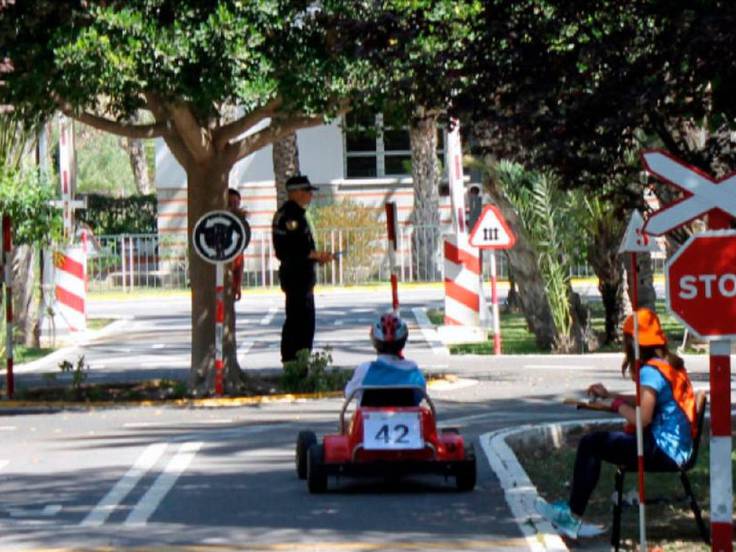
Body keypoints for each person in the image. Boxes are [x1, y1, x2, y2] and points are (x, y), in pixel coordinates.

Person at [536, 307, 697, 539]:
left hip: (662, 450)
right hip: (676, 448)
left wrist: (615, 406)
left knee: (591, 444)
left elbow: (642, 419)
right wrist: (611, 395)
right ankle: (572, 515)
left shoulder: (650, 372)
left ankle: (572, 516)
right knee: (597, 442)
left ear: (633, 343)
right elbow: (646, 401)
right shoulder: (668, 365)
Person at [272, 175, 334, 363]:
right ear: (296, 192)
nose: (310, 196)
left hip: (299, 275)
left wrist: (317, 257)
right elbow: (296, 248)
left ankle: (296, 361)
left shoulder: (291, 213)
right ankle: (296, 364)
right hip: (296, 275)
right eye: (307, 192)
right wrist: (318, 255)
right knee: (301, 324)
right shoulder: (292, 216)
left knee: (298, 321)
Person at [344, 312, 426, 405]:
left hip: (371, 419)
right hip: (407, 419)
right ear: (403, 341)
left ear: (375, 342)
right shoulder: (412, 369)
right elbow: (420, 395)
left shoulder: (365, 370)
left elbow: (349, 393)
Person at [228, 188, 247, 301]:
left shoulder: (240, 223)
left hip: (235, 264)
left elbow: (240, 260)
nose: (234, 206)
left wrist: (238, 285)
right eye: (230, 203)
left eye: (236, 203)